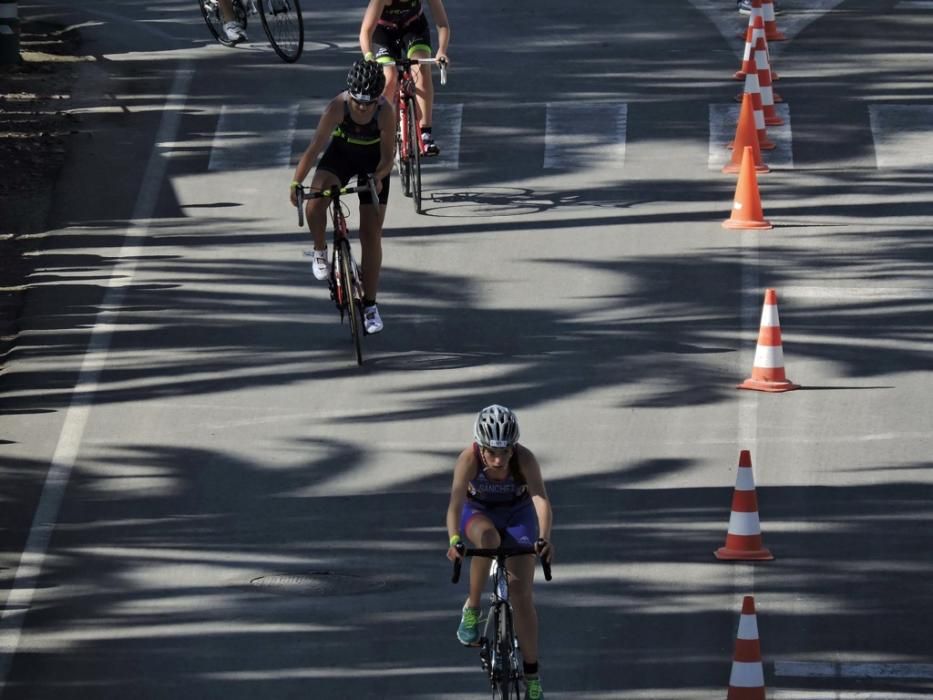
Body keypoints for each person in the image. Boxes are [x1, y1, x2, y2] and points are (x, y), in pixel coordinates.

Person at [445, 405, 554, 700]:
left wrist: (544, 539)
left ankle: (532, 676)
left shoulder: (524, 459)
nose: (497, 459)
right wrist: (454, 539)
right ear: (480, 447)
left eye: (504, 452)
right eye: (491, 452)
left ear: (513, 448)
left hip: (518, 515)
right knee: (489, 540)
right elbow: (455, 505)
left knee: (521, 595)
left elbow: (540, 500)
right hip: (478, 513)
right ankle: (472, 608)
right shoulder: (468, 459)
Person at [289, 60, 396, 334]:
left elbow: (388, 158)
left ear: (378, 99)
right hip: (342, 156)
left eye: (368, 103)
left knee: (371, 235)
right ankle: (320, 251)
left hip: (372, 164)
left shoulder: (386, 112)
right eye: (357, 102)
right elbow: (314, 149)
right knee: (314, 204)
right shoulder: (337, 106)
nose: (361, 107)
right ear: (350, 95)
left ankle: (370, 306)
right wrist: (296, 182)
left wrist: (378, 176)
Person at [359, 0, 450, 156]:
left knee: (421, 70)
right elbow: (365, 32)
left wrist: (442, 51)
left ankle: (425, 134)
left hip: (414, 27)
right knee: (389, 77)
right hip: (383, 32)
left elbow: (443, 24)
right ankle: (382, 130)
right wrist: (369, 57)